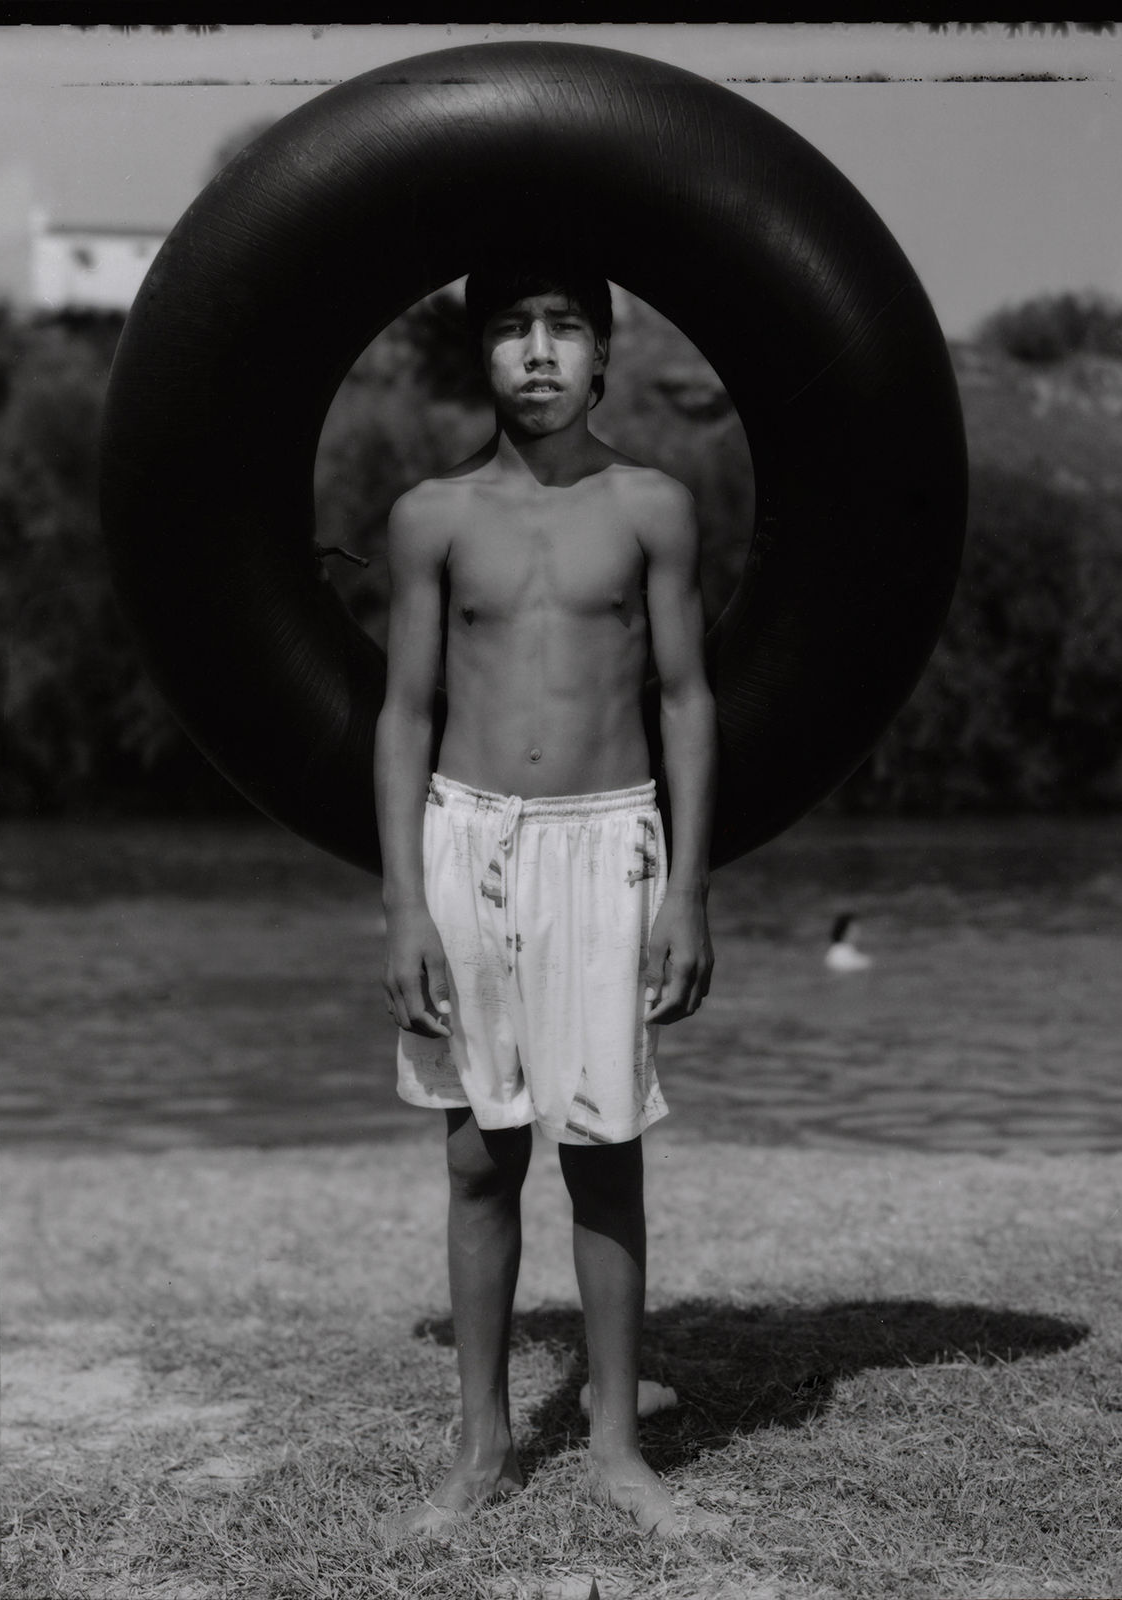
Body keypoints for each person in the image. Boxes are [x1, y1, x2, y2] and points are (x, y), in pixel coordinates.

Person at [374, 256, 718, 1540]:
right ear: (481, 355)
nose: (536, 352)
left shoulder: (652, 508)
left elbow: (684, 699)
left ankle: (619, 1445)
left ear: (600, 354)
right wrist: (404, 899)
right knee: (477, 1157)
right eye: (511, 330)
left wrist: (685, 885)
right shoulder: (429, 515)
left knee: (605, 1154)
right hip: (467, 837)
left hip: (606, 838)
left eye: (562, 329)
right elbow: (403, 713)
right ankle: (480, 1443)